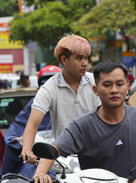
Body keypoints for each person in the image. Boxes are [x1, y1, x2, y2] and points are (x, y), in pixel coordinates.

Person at [32, 60, 136, 183]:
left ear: (127, 88)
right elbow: (54, 149)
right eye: (107, 85)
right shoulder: (82, 125)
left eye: (120, 84)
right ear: (95, 90)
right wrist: (40, 173)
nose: (114, 90)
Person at [20, 34, 100, 165]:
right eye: (79, 58)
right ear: (64, 60)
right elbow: (33, 124)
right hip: (65, 160)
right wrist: (27, 150)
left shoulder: (95, 81)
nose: (85, 63)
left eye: (86, 58)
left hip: (98, 154)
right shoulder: (49, 88)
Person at [2, 65, 59, 176]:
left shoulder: (74, 102)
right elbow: (12, 136)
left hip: (68, 164)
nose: (50, 91)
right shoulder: (34, 105)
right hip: (35, 165)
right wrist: (28, 148)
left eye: (55, 87)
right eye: (46, 87)